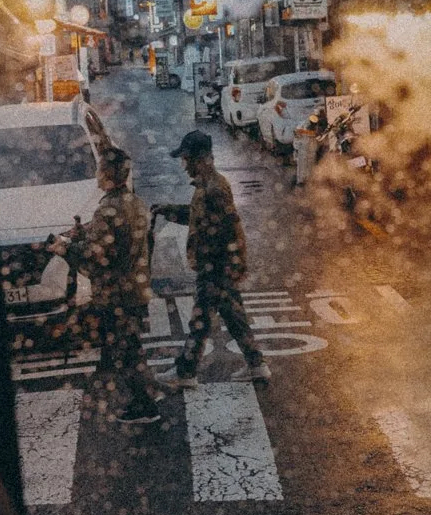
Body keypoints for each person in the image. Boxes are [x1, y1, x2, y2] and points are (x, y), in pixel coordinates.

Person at [56, 144, 165, 424]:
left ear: (105, 174)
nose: (96, 173)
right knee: (131, 344)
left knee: (122, 351)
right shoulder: (135, 203)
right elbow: (123, 240)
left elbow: (96, 258)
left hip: (116, 295)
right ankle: (150, 390)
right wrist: (83, 233)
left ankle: (145, 406)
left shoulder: (108, 210)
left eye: (99, 168)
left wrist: (65, 249)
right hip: (136, 289)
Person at [153, 128, 271, 386]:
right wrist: (170, 211)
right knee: (233, 317)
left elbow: (230, 228)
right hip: (220, 267)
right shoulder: (208, 187)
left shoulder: (214, 189)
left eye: (186, 160)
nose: (184, 167)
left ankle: (185, 372)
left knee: (200, 321)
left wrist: (225, 267)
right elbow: (199, 218)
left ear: (200, 158)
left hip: (215, 267)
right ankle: (256, 364)